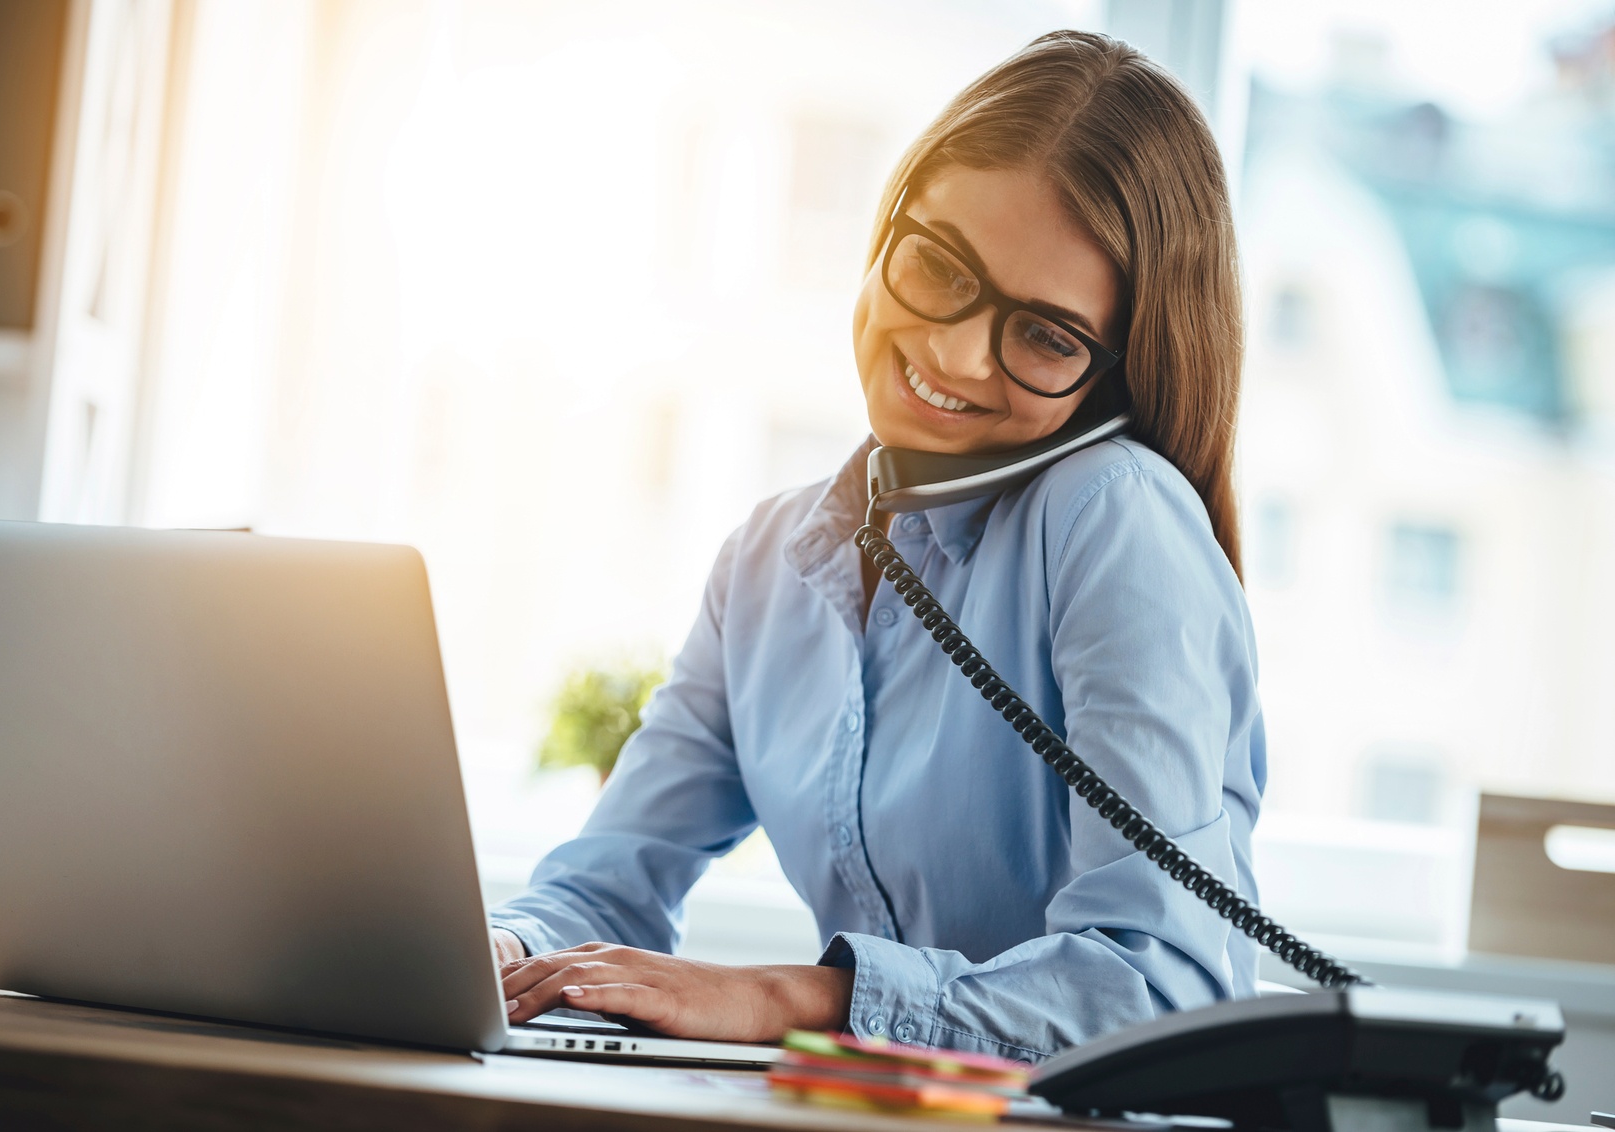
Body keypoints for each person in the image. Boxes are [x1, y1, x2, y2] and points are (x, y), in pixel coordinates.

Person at [488, 29, 1262, 1060]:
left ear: (1111, 379)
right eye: (939, 266)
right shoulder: (770, 561)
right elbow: (605, 886)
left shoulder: (1110, 514)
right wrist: (499, 950)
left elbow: (1156, 986)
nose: (953, 353)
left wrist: (785, 998)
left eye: (1043, 335)